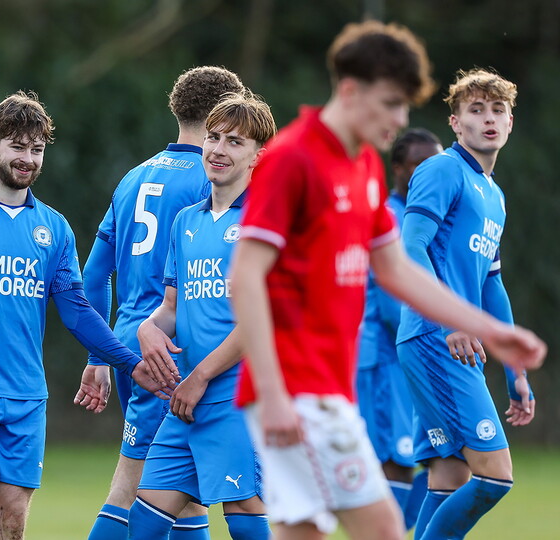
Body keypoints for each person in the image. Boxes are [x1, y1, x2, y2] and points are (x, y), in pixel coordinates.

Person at [228, 21, 545, 540]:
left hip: (330, 385)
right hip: (293, 387)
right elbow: (246, 277)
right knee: (382, 529)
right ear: (352, 90)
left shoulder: (364, 170)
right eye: (393, 103)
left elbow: (396, 268)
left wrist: (494, 332)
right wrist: (273, 391)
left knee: (302, 531)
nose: (402, 120)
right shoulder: (292, 159)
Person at [0, 91, 171, 540]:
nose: (28, 158)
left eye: (37, 149)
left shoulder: (55, 229)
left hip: (25, 393)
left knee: (12, 519)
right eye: (18, 147)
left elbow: (78, 313)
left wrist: (130, 364)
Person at [80, 66, 244, 540]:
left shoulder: (134, 177)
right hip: (174, 352)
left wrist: (100, 354)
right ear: (221, 115)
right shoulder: (213, 180)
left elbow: (94, 277)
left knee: (186, 500)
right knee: (133, 489)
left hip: (132, 338)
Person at [129, 91, 275, 540]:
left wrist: (201, 377)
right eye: (214, 137)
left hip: (235, 395)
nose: (218, 149)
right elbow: (172, 308)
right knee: (145, 521)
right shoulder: (185, 221)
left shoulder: (262, 222)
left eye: (235, 141)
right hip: (186, 397)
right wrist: (146, 330)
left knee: (245, 520)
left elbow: (259, 323)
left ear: (258, 156)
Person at [395, 68, 534, 538]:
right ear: (456, 123)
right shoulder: (442, 168)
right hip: (435, 337)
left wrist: (515, 368)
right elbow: (410, 248)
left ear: (511, 122)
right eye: (476, 110)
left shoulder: (494, 195)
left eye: (498, 110)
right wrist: (449, 318)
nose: (488, 119)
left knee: (448, 479)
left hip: (451, 343)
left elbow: (491, 285)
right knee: (495, 476)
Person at [354, 128, 442, 530]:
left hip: (406, 356)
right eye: (419, 165)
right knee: (395, 462)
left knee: (431, 461)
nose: (429, 174)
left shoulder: (424, 216)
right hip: (386, 358)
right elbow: (394, 308)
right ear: (398, 168)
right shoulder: (388, 216)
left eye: (436, 165)